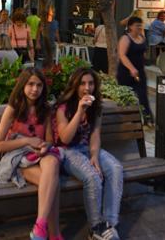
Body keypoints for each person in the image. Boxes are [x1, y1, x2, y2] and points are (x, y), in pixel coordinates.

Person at [0, 68, 62, 240]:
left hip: (39, 155)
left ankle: (40, 227)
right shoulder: (13, 109)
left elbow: (49, 140)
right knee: (53, 184)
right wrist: (27, 141)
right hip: (19, 159)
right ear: (22, 85)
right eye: (30, 84)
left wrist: (45, 146)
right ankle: (54, 234)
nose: (35, 89)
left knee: (52, 163)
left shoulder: (44, 109)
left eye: (39, 85)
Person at [55, 68, 123, 240]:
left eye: (91, 83)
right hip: (67, 151)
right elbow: (65, 137)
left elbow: (95, 134)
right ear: (75, 85)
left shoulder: (96, 107)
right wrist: (79, 111)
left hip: (86, 149)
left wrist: (94, 156)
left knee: (115, 168)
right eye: (82, 83)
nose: (87, 88)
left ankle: (108, 224)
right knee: (92, 177)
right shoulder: (63, 108)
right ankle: (95, 228)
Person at [117, 17, 152, 125]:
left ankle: (148, 119)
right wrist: (131, 68)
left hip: (140, 71)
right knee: (126, 96)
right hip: (126, 72)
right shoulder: (125, 38)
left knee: (143, 95)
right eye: (137, 25)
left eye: (140, 25)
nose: (139, 27)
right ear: (130, 26)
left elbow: (143, 51)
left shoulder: (141, 37)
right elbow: (122, 55)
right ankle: (125, 119)